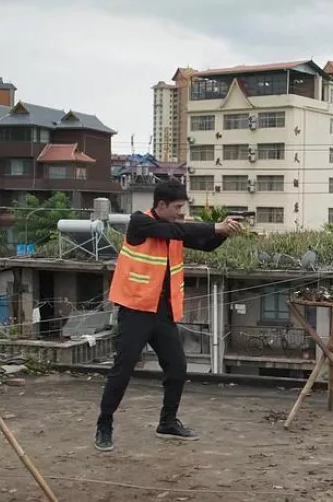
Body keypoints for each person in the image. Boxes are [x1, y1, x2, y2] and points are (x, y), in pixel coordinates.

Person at [94, 179, 244, 452]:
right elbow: (175, 228)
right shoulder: (140, 223)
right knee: (123, 369)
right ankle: (104, 423)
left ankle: (167, 422)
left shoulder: (172, 229)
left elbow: (205, 244)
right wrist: (214, 226)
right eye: (176, 207)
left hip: (162, 312)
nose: (180, 212)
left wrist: (223, 231)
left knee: (177, 368)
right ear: (160, 205)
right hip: (136, 310)